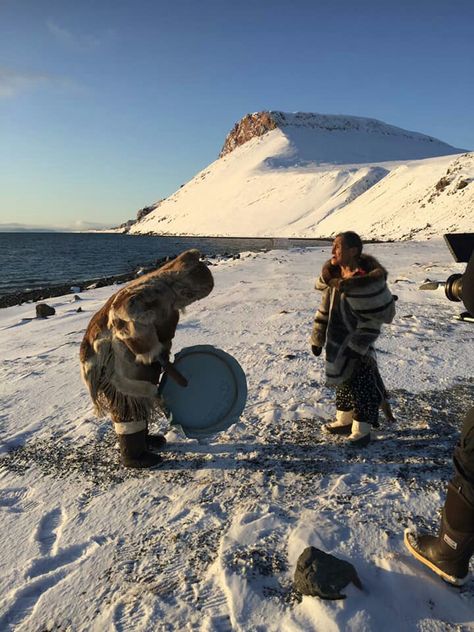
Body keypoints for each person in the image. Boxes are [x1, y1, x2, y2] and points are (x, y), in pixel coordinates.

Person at [80, 249, 214, 468]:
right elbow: (125, 309)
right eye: (194, 295)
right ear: (186, 287)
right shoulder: (155, 291)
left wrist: (159, 354)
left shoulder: (165, 289)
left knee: (140, 398)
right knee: (128, 401)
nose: (193, 300)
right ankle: (132, 454)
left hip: (128, 353)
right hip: (110, 355)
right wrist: (151, 349)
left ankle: (139, 440)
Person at [310, 231, 396, 447]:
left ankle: (361, 430)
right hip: (336, 343)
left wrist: (356, 346)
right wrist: (318, 337)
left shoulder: (366, 281)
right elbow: (324, 310)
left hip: (359, 349)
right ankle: (344, 420)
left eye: (337, 247)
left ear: (353, 251)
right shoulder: (336, 279)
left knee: (362, 386)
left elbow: (374, 319)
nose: (332, 251)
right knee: (343, 383)